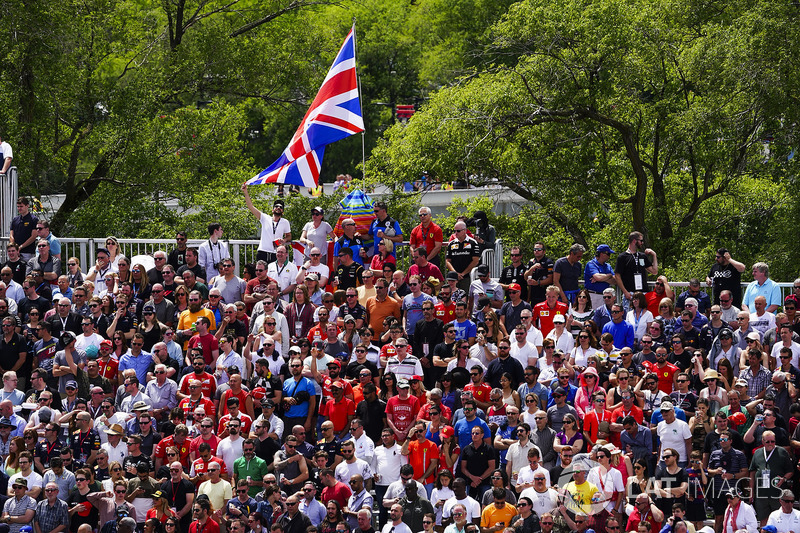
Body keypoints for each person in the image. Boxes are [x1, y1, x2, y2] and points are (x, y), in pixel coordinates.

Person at [243, 187, 291, 264]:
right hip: (263, 251)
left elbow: (289, 236)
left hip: (276, 253)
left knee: (274, 274)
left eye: (281, 207)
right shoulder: (265, 218)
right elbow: (250, 207)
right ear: (272, 210)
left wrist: (284, 240)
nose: (278, 208)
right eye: (276, 206)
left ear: (283, 211)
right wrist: (245, 192)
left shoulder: (285, 222)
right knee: (261, 274)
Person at [614, 231, 659, 307]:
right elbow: (617, 276)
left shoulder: (642, 256)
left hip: (643, 293)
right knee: (629, 317)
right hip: (630, 294)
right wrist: (625, 292)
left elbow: (654, 271)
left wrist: (654, 255)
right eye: (641, 241)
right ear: (634, 241)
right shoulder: (622, 257)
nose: (642, 243)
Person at [446, 222, 480, 292]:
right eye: (454, 231)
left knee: (466, 295)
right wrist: (455, 274)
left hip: (467, 276)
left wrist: (463, 274)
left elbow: (476, 260)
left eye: (458, 231)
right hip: (454, 278)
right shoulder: (451, 244)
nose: (456, 233)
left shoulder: (473, 243)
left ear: (465, 231)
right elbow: (447, 261)